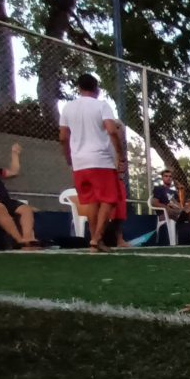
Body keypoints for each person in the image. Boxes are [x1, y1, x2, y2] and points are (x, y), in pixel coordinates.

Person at [58, 73, 126, 253]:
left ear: (79, 88)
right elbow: (112, 130)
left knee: (92, 201)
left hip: (79, 162)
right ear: (96, 89)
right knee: (110, 199)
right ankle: (96, 238)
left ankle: (95, 242)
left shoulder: (68, 108)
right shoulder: (101, 105)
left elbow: (63, 137)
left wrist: (68, 157)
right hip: (100, 160)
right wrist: (120, 155)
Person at [151, 170, 190, 244]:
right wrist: (166, 207)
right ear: (162, 178)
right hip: (166, 214)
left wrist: (181, 191)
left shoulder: (174, 192)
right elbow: (154, 203)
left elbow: (181, 204)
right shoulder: (158, 189)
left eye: (170, 176)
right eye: (166, 176)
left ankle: (184, 212)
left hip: (178, 212)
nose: (168, 178)